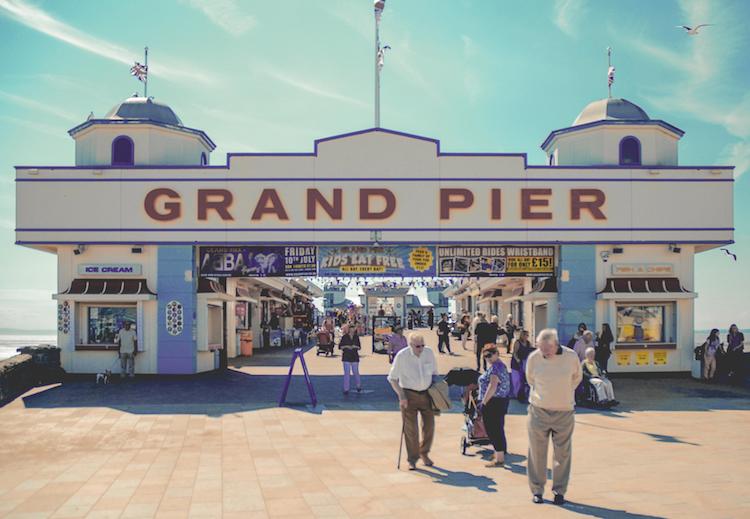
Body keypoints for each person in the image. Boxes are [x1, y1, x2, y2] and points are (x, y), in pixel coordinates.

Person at [526, 328, 582, 506]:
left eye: (546, 349)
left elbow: (576, 378)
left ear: (555, 345)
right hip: (539, 411)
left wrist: (562, 393)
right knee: (536, 452)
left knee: (562, 454)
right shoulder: (534, 358)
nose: (543, 352)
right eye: (540, 348)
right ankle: (537, 490)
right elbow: (530, 379)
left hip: (564, 411)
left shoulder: (571, 356)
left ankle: (559, 491)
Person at [388, 333, 439, 470]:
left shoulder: (428, 352)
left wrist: (436, 391)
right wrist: (401, 395)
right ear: (410, 345)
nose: (421, 348)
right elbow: (392, 378)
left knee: (429, 426)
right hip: (408, 394)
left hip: (427, 393)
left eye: (422, 345)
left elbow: (434, 373)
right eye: (418, 346)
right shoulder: (402, 356)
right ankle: (412, 459)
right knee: (411, 430)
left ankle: (424, 452)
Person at [477, 345, 512, 467]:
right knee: (498, 428)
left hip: (493, 402)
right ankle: (500, 453)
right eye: (485, 356)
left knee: (492, 429)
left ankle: (499, 458)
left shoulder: (495, 368)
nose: (488, 358)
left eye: (490, 355)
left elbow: (492, 386)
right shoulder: (500, 365)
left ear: (496, 353)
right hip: (501, 401)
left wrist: (484, 403)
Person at [511, 329, 534, 402]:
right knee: (517, 379)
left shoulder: (528, 343)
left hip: (524, 362)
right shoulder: (517, 342)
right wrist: (517, 359)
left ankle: (523, 394)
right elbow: (514, 353)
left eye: (528, 335)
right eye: (526, 335)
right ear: (522, 335)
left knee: (523, 379)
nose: (527, 337)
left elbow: (530, 351)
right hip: (516, 363)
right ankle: (516, 394)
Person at [339, 325, 362, 394]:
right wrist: (346, 346)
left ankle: (358, 386)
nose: (352, 331)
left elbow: (359, 347)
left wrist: (355, 347)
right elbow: (340, 346)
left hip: (354, 355)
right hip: (346, 355)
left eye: (353, 329)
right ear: (349, 330)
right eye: (351, 329)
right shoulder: (344, 337)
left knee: (356, 372)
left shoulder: (356, 337)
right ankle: (346, 388)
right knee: (347, 373)